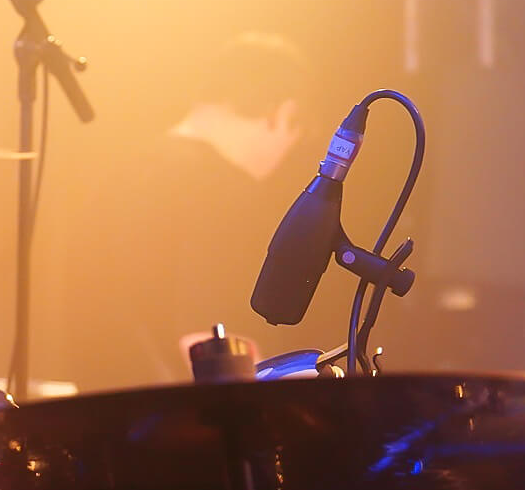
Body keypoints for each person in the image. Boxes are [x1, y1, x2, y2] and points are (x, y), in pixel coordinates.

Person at [76, 30, 342, 386]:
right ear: (282, 113)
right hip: (178, 415)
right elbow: (210, 344)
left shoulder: (112, 178)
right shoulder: (224, 190)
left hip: (99, 404)